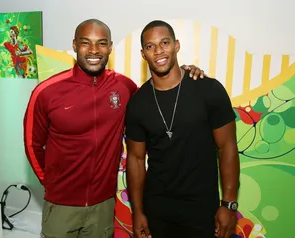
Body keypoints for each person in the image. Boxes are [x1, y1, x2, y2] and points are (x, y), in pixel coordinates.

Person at [23, 18, 205, 238]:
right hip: (61, 205)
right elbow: (32, 146)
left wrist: (185, 73)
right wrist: (53, 185)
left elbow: (158, 95)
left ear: (110, 47)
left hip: (103, 205)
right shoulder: (46, 92)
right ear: (74, 45)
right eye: (85, 42)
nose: (93, 50)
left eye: (101, 43)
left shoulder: (124, 86)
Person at [125, 20, 240, 238]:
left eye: (164, 43)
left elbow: (227, 147)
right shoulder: (138, 104)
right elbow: (136, 160)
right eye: (150, 46)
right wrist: (138, 212)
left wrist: (229, 203)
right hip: (158, 211)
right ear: (143, 54)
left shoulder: (208, 89)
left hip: (203, 210)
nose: (159, 51)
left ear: (176, 45)